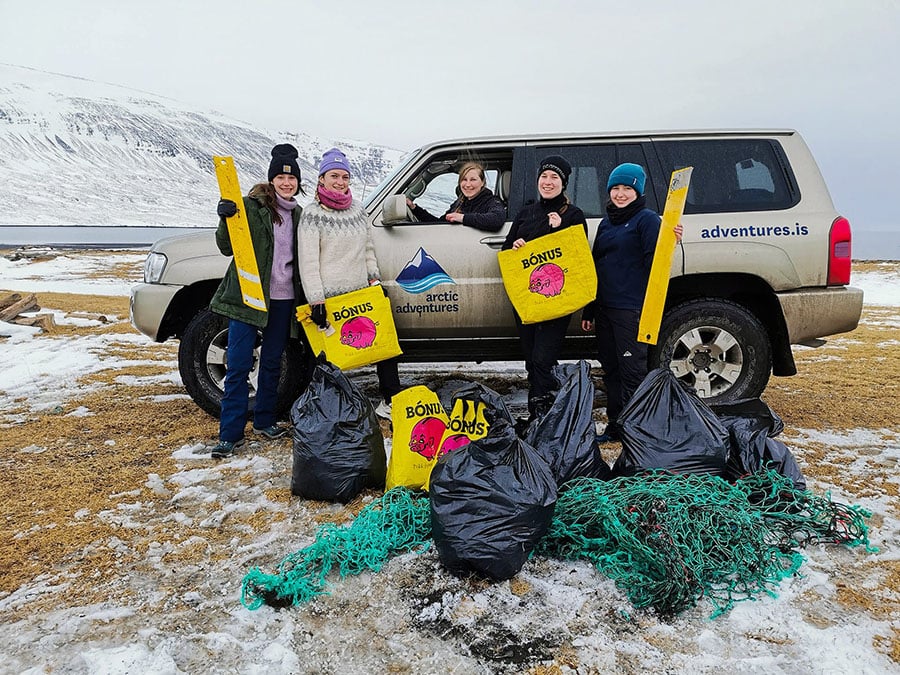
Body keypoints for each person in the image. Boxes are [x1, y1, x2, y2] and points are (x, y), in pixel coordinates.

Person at [209, 143, 305, 459]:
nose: (286, 183)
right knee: (237, 365)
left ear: (298, 183)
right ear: (272, 180)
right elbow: (227, 247)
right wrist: (225, 217)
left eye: (292, 179)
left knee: (272, 363)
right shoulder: (251, 207)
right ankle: (230, 434)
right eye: (281, 178)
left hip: (283, 300)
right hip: (249, 298)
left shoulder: (300, 215)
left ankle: (264, 421)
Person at [581, 162, 682, 443]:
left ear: (638, 190)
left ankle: (637, 430)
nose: (621, 194)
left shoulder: (647, 220)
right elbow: (597, 266)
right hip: (604, 308)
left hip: (631, 309)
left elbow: (657, 263)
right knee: (611, 369)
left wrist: (670, 242)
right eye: (615, 188)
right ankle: (616, 424)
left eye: (627, 188)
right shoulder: (606, 222)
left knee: (632, 371)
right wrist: (590, 308)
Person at [298, 147, 402, 418]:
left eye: (345, 176)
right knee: (325, 356)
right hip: (330, 297)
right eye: (334, 175)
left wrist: (374, 279)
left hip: (360, 293)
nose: (340, 181)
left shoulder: (358, 210)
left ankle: (391, 400)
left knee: (382, 345)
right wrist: (316, 300)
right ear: (322, 179)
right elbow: (308, 262)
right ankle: (319, 410)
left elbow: (368, 249)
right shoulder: (311, 215)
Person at [502, 155, 587, 420]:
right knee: (531, 358)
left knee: (543, 357)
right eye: (544, 177)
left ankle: (541, 410)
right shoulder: (526, 213)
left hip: (556, 299)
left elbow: (580, 258)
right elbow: (506, 251)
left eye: (554, 178)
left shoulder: (573, 215)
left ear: (564, 183)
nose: (548, 182)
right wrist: (515, 248)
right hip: (527, 300)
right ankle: (541, 410)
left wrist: (560, 231)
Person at [406, 162, 507, 232]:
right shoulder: (460, 202)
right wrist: (414, 208)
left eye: (473, 180)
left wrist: (463, 218)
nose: (467, 184)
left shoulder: (492, 201)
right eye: (464, 179)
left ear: (482, 182)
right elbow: (439, 224)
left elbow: (497, 219)